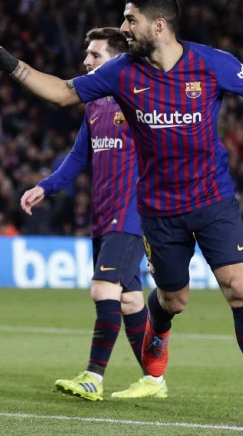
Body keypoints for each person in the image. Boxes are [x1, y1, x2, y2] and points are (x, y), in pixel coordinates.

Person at [0, 0, 243, 427]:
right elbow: (61, 92)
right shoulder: (121, 72)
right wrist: (11, 64)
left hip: (213, 199)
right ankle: (159, 323)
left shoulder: (211, 63)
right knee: (175, 298)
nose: (124, 27)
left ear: (159, 25)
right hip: (159, 210)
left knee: (239, 288)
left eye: (130, 19)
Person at [20, 27, 167, 400]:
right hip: (103, 216)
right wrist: (45, 187)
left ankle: (93, 377)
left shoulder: (139, 101)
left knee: (103, 289)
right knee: (129, 300)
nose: (86, 61)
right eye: (87, 54)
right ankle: (154, 379)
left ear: (116, 61)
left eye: (95, 55)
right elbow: (78, 157)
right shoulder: (95, 105)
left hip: (133, 213)